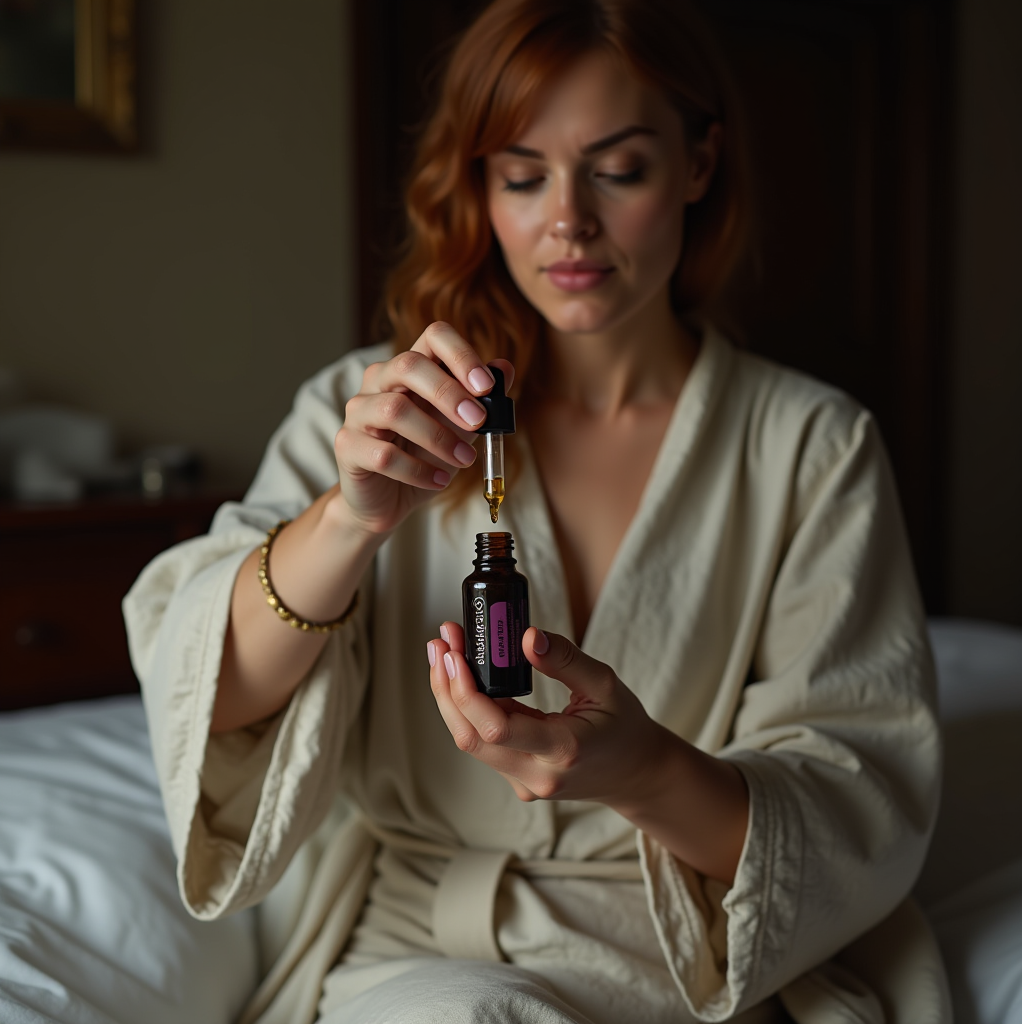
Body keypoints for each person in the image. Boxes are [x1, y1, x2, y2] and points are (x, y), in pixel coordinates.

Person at [124, 1, 951, 1021]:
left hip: (680, 962)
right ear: (477, 186)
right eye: (521, 174)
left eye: (618, 168)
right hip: (415, 958)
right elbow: (208, 696)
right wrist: (346, 520)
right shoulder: (373, 409)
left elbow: (858, 804)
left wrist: (643, 770)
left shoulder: (811, 448)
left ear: (698, 164)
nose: (568, 220)